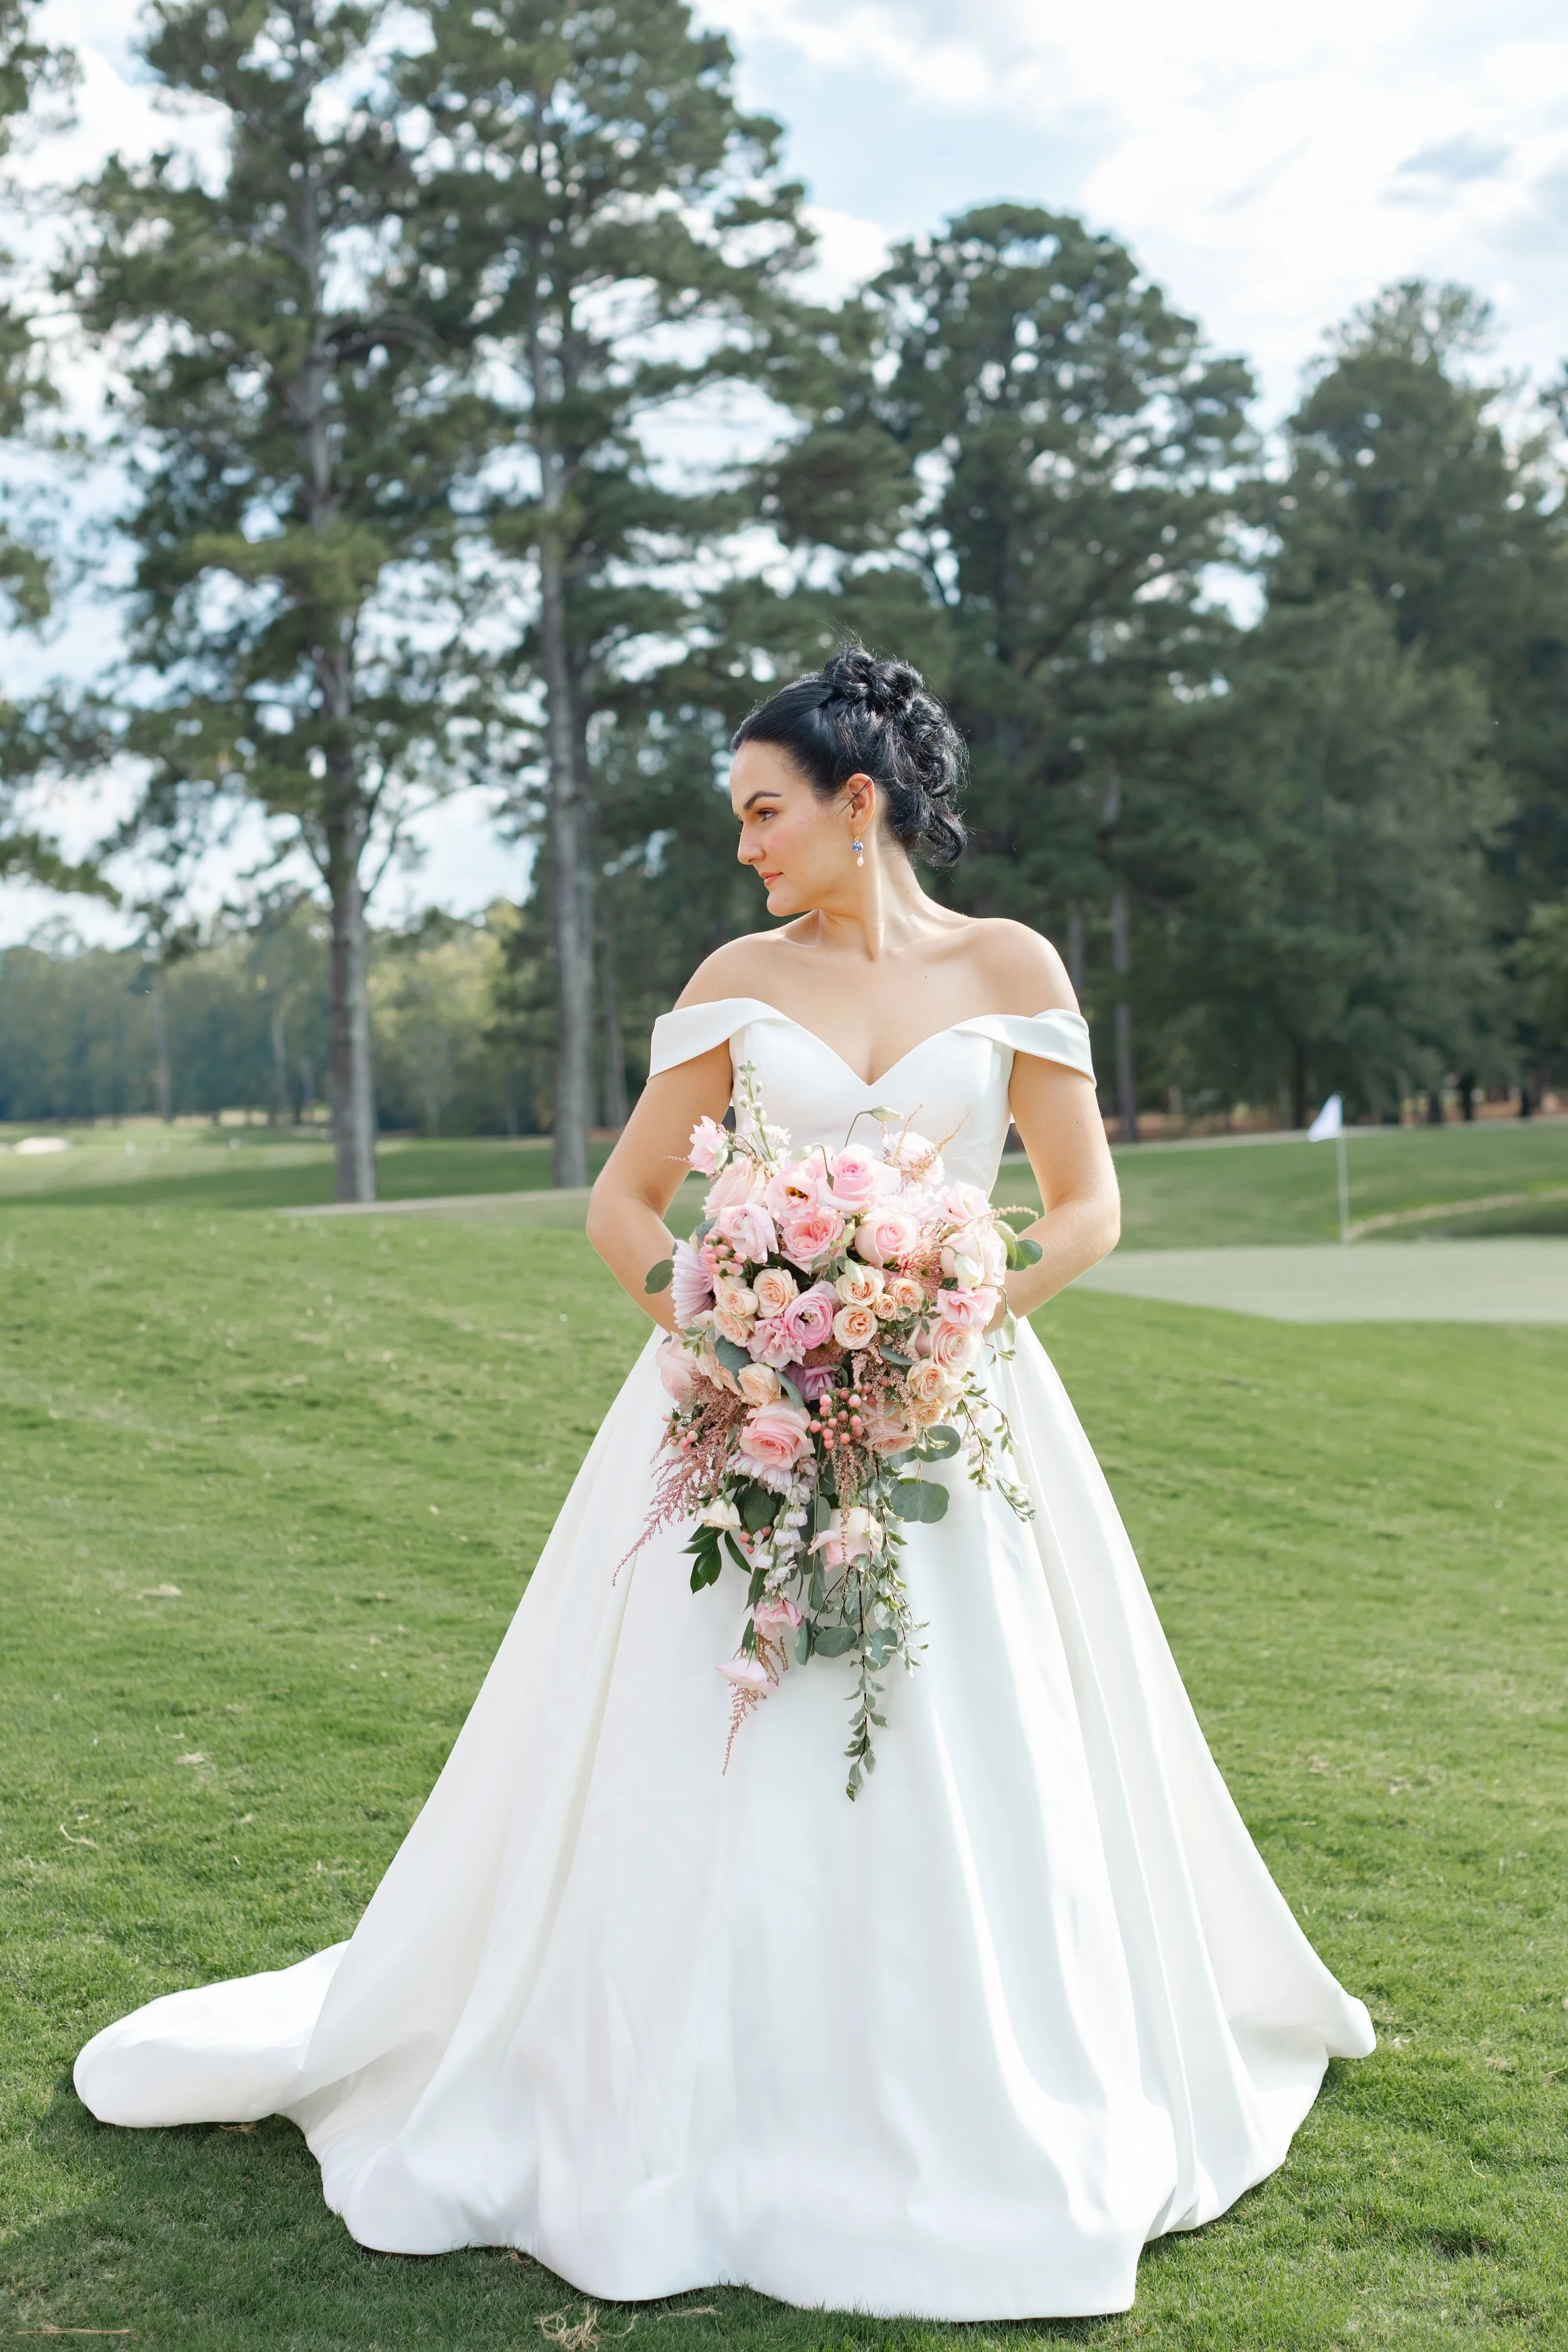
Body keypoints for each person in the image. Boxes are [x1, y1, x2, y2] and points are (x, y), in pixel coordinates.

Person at [74, 645, 1373, 2323]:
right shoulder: (735, 973)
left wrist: (945, 1324)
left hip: (955, 1422)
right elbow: (624, 1204)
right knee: (701, 1747)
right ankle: (675, 2100)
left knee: (977, 1744)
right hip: (734, 1418)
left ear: (858, 803)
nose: (743, 842)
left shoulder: (1011, 966)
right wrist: (726, 1334)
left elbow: (1089, 1204)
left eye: (762, 810)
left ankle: (975, 2096)